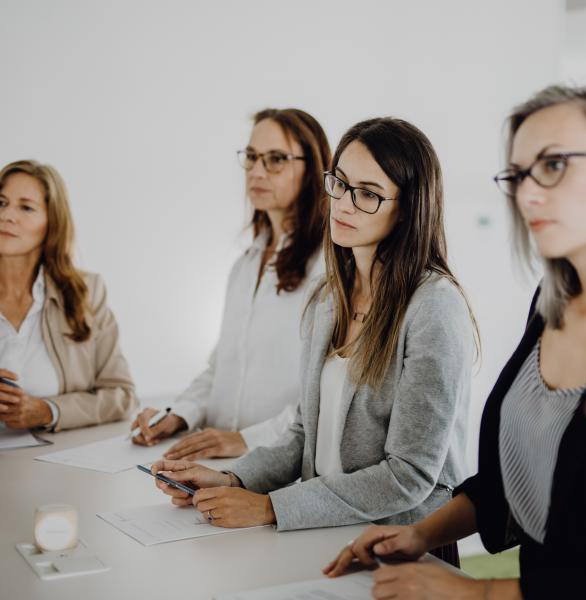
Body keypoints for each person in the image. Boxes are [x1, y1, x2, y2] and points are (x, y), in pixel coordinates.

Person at [326, 84, 586, 598]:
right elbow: (510, 482)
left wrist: (476, 593)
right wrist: (419, 533)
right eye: (519, 175)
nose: (528, 193)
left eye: (554, 165)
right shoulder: (552, 300)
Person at [149, 118, 478, 564]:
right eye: (339, 184)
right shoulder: (330, 298)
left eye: (367, 193)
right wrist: (233, 480)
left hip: (403, 543)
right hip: (328, 530)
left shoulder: (433, 307)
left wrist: (270, 507)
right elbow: (305, 434)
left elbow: (409, 475)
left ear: (408, 208)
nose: (343, 203)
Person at [131, 108, 331, 459]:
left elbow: (328, 391)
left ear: (313, 168)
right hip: (219, 461)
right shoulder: (245, 264)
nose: (256, 171)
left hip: (281, 463)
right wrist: (178, 415)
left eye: (276, 160)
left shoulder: (329, 268)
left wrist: (246, 440)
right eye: (252, 157)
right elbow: (219, 368)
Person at [0, 159, 136, 431]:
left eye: (26, 207)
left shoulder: (86, 292)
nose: (7, 216)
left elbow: (121, 395)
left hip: (51, 463)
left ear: (52, 223)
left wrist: (49, 411)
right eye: (1, 203)